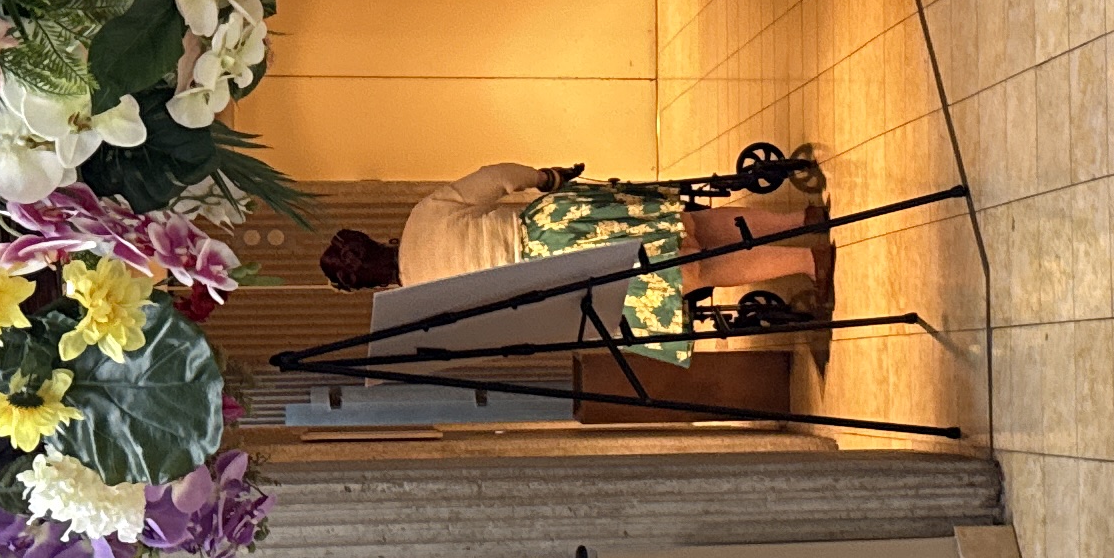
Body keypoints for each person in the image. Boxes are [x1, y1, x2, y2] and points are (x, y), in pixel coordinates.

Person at [317, 162, 824, 365]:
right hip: (557, 224)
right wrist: (548, 177)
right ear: (373, 240)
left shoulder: (422, 306)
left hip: (560, 279)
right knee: (695, 223)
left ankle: (805, 261)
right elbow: (497, 177)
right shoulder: (423, 215)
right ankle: (799, 219)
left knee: (697, 271)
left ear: (371, 287)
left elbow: (502, 327)